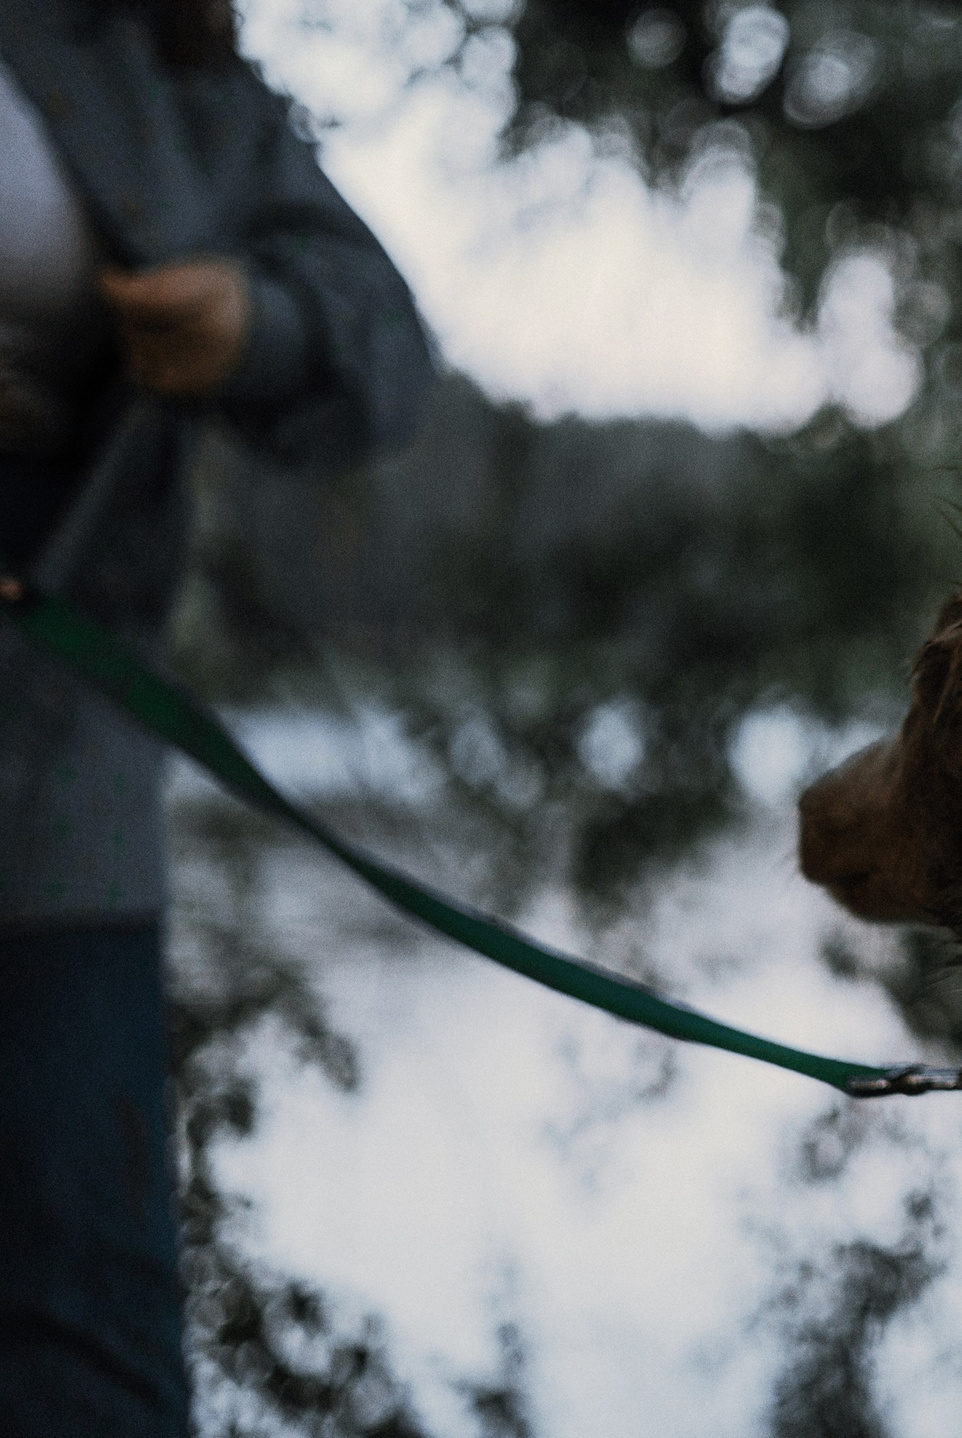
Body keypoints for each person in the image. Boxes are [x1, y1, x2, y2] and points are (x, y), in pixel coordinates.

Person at [0, 1, 431, 1433]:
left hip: (57, 782)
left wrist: (259, 324)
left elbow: (386, 347)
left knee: (90, 1339)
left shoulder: (164, 73)